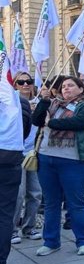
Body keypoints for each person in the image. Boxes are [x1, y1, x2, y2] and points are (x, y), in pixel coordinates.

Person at [32, 75, 84, 256]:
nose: (66, 89)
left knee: (76, 202)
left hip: (74, 161)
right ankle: (51, 241)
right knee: (52, 202)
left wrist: (51, 123)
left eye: (71, 85)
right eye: (63, 86)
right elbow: (36, 120)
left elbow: (79, 122)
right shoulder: (53, 104)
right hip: (47, 158)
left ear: (80, 89)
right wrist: (44, 101)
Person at [0, 64, 31, 264]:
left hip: (9, 162)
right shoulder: (19, 100)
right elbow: (26, 129)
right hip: (9, 159)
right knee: (4, 214)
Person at [11, 72, 43, 243]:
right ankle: (12, 229)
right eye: (20, 82)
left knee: (36, 193)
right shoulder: (10, 103)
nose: (25, 85)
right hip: (16, 154)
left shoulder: (39, 103)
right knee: (18, 194)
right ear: (14, 85)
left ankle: (29, 227)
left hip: (34, 153)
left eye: (28, 81)